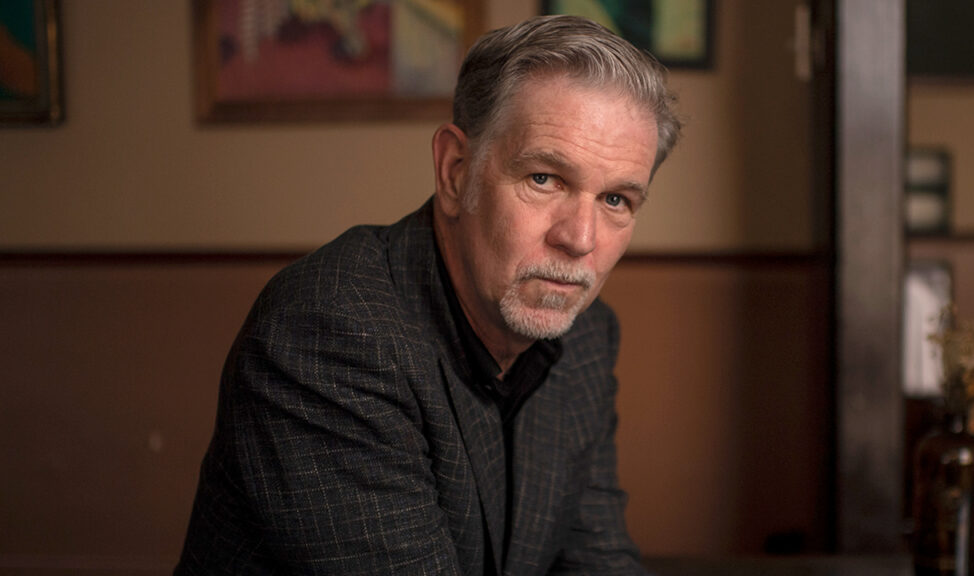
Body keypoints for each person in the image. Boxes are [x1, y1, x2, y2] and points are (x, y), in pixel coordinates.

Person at [175, 14, 680, 576]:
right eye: (544, 178)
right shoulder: (327, 330)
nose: (581, 239)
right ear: (455, 172)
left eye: (615, 200)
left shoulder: (587, 336)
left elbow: (597, 559)